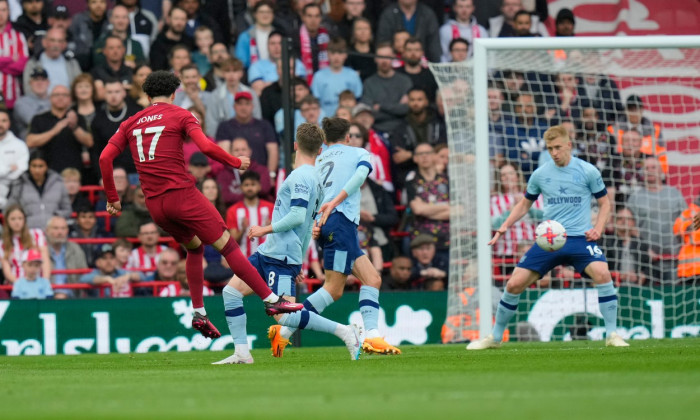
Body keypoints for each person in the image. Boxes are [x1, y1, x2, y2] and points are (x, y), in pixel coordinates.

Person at [99, 70, 303, 338]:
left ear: (147, 96)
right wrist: (235, 161)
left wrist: (113, 197)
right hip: (182, 196)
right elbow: (205, 147)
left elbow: (104, 158)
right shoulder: (181, 114)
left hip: (156, 206)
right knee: (227, 245)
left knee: (194, 248)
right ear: (174, 94)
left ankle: (199, 313)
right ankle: (271, 300)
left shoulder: (130, 122)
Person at [467, 125, 629, 350]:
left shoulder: (588, 171)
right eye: (550, 148)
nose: (554, 152)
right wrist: (504, 225)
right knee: (514, 284)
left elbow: (605, 203)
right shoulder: (541, 174)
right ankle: (494, 338)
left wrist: (598, 228)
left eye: (558, 147)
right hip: (549, 240)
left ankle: (612, 334)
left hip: (580, 239)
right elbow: (525, 204)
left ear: (569, 145)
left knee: (602, 273)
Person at [214, 122, 362, 364]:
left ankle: (345, 331)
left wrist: (264, 229)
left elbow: (297, 216)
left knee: (284, 317)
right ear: (320, 151)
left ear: (295, 146)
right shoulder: (314, 178)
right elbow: (306, 227)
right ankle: (242, 353)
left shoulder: (302, 176)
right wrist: (300, 262)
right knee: (231, 292)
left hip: (279, 257)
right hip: (270, 253)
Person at [269, 117, 402, 357]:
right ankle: (371, 336)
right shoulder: (358, 153)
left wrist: (315, 225)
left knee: (357, 283)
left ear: (325, 139)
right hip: (340, 222)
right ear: (348, 137)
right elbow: (361, 178)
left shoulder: (318, 159)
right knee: (346, 285)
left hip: (326, 224)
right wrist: (335, 203)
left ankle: (284, 331)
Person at [626, 157, 687, 284]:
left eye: (653, 167)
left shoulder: (674, 193)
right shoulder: (635, 197)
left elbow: (686, 220)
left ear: (661, 171)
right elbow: (629, 225)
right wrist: (644, 249)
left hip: (673, 259)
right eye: (646, 168)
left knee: (673, 297)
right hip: (646, 261)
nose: (650, 170)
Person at [26, 85, 94, 174]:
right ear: (50, 98)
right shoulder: (39, 118)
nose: (60, 98)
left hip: (73, 171)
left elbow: (90, 142)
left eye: (64, 95)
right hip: (48, 172)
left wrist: (74, 127)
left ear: (70, 99)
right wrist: (54, 131)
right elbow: (30, 142)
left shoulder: (78, 118)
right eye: (56, 95)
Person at [6, 150, 72, 230]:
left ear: (47, 167)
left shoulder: (58, 183)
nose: (37, 170)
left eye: (41, 166)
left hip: (53, 232)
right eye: (34, 166)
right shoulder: (19, 184)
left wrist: (55, 216)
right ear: (29, 166)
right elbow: (10, 209)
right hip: (27, 232)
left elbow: (67, 209)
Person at [361, 42, 412, 134]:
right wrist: (396, 108)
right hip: (376, 131)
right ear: (375, 59)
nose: (384, 60)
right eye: (380, 57)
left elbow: (406, 110)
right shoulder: (369, 83)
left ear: (393, 57)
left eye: (388, 56)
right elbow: (370, 114)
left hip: (403, 130)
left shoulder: (405, 81)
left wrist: (380, 106)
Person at [226, 171, 274, 258]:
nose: (250, 188)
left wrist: (270, 228)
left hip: (267, 258)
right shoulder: (233, 210)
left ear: (259, 186)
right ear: (241, 187)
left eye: (253, 184)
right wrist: (243, 229)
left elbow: (279, 236)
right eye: (246, 185)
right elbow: (233, 241)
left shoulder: (271, 208)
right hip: (243, 259)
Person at [311, 37, 362, 118]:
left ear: (346, 55)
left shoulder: (353, 75)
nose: (336, 57)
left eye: (340, 53)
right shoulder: (318, 76)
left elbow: (358, 99)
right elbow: (315, 102)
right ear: (327, 54)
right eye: (333, 53)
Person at [376, 0, 441, 63]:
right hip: (394, 64)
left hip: (422, 65)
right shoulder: (388, 14)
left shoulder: (428, 14)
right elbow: (383, 43)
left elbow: (434, 46)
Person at [1, 204, 51, 285]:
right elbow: (7, 272)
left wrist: (45, 282)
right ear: (7, 221)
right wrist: (23, 285)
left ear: (24, 220)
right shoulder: (2, 243)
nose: (17, 222)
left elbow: (45, 260)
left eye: (20, 218)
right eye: (13, 219)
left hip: (39, 283)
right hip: (16, 286)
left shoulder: (37, 234)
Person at [215, 137, 272, 206]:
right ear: (231, 153)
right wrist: (250, 195)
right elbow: (224, 196)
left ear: (250, 151)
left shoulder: (262, 170)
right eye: (236, 150)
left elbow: (265, 189)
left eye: (243, 149)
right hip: (234, 211)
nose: (240, 152)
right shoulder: (223, 174)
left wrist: (240, 195)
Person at [603, 207, 649, 285]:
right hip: (612, 287)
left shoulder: (640, 244)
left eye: (628, 219)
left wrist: (639, 275)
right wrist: (619, 276)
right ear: (614, 222)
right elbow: (601, 269)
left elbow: (648, 268)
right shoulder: (606, 243)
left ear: (633, 222)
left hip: (637, 288)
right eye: (620, 218)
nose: (624, 221)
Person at [45, 215, 88, 298]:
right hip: (47, 296)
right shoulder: (41, 250)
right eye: (56, 228)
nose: (60, 232)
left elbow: (84, 274)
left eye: (63, 228)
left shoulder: (75, 249)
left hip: (72, 297)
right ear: (47, 231)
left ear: (67, 231)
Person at [0, 0, 30, 112]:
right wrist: (10, 59)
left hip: (13, 99)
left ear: (9, 12)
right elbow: (15, 64)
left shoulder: (18, 36)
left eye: (3, 10)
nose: (0, 14)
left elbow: (22, 67)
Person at [149, 6, 192, 71]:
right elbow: (157, 69)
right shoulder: (158, 44)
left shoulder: (190, 42)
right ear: (168, 19)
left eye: (183, 19)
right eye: (176, 18)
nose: (179, 23)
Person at [0, 109, 28, 209]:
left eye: (4, 121)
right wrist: (8, 169)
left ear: (9, 123)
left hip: (13, 191)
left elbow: (22, 169)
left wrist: (3, 176)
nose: (1, 124)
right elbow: (11, 170)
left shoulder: (19, 145)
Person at [70, 0, 109, 70]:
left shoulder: (111, 19)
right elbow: (71, 40)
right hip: (83, 64)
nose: (98, 6)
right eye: (94, 2)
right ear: (88, 4)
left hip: (106, 64)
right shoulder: (78, 20)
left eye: (102, 2)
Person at [13, 67, 50, 139]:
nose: (39, 83)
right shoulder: (21, 103)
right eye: (36, 80)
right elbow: (35, 123)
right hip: (31, 146)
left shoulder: (54, 99)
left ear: (48, 82)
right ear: (30, 83)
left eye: (43, 80)